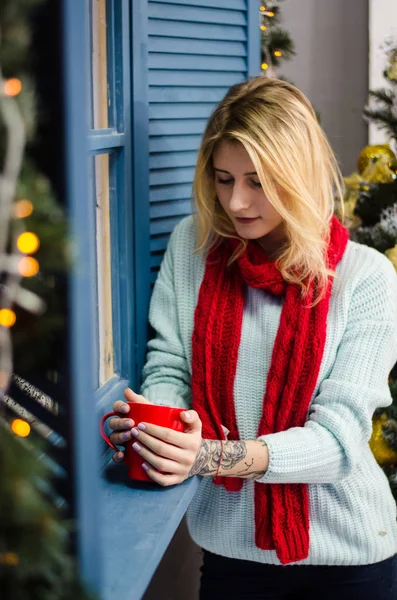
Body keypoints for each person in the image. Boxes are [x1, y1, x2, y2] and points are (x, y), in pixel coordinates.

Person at [108, 77, 397, 599]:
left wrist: (206, 456)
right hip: (231, 552)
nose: (236, 201)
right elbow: (171, 364)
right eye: (223, 178)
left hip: (350, 559)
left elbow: (339, 443)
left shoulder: (365, 278)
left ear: (298, 174)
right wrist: (165, 433)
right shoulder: (192, 247)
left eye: (258, 181)